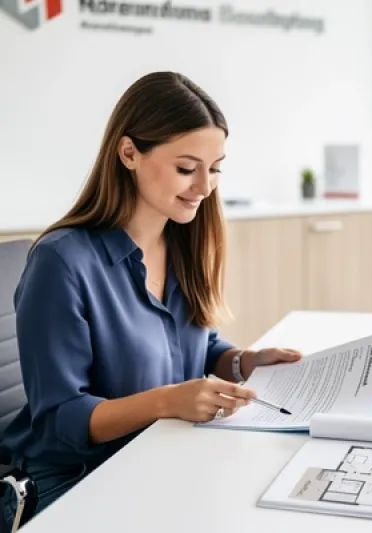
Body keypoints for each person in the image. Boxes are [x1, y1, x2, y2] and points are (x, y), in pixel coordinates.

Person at [0, 71, 303, 527]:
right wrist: (167, 401)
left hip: (162, 460)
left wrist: (245, 361)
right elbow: (61, 421)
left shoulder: (180, 242)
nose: (204, 187)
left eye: (215, 168)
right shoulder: (61, 262)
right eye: (187, 168)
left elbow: (197, 345)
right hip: (75, 483)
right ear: (129, 154)